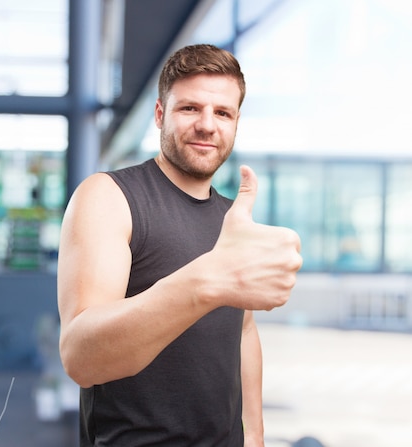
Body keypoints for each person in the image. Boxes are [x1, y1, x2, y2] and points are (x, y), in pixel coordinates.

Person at [57, 43, 302, 446]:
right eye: (190, 108)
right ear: (159, 114)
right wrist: (206, 281)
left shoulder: (232, 219)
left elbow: (242, 332)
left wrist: (254, 435)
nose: (208, 125)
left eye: (223, 113)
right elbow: (81, 357)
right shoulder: (109, 197)